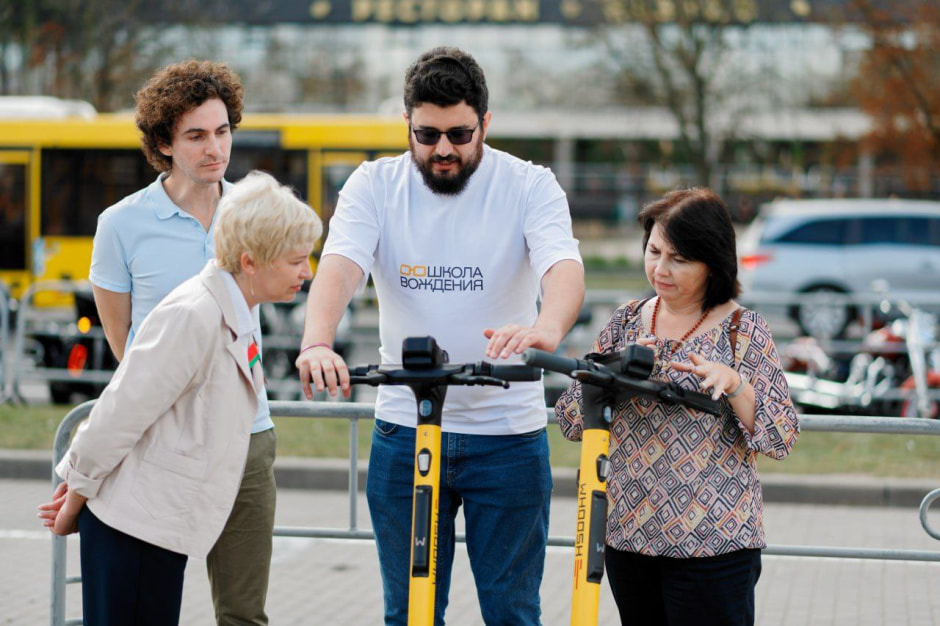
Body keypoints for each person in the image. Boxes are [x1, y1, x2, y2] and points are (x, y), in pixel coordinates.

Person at [295, 46, 585, 624]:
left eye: (459, 133)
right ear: (406, 122)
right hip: (405, 429)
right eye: (426, 135)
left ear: (486, 123)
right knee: (409, 613)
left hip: (507, 435)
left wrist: (547, 326)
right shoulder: (374, 184)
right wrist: (316, 341)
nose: (443, 149)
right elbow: (341, 263)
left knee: (512, 611)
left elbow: (562, 264)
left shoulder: (530, 184)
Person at [37, 171, 321, 625]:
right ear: (251, 262)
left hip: (152, 524)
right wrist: (76, 495)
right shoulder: (195, 315)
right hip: (131, 525)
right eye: (295, 261)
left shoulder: (237, 308)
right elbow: (118, 412)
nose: (307, 273)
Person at [86, 60, 278, 625]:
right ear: (164, 144)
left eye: (222, 131)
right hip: (160, 446)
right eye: (195, 135)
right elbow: (126, 346)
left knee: (244, 615)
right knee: (146, 610)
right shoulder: (121, 225)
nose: (214, 148)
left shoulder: (255, 213)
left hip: (248, 434)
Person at [555, 188, 800, 626]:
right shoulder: (626, 320)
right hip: (626, 536)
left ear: (713, 262)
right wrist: (610, 376)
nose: (660, 269)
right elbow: (572, 420)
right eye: (653, 251)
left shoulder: (743, 331)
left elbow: (782, 437)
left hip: (713, 544)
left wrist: (736, 386)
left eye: (680, 259)